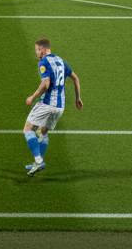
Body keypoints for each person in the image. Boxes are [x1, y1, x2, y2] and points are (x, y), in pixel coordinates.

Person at [23, 37, 82, 177]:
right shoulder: (61, 61)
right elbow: (75, 78)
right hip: (60, 106)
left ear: (43, 50)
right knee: (42, 132)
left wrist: (32, 96)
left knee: (28, 129)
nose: (36, 53)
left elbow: (46, 85)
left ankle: (38, 160)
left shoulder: (43, 62)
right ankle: (37, 163)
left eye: (37, 50)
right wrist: (78, 98)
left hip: (48, 103)